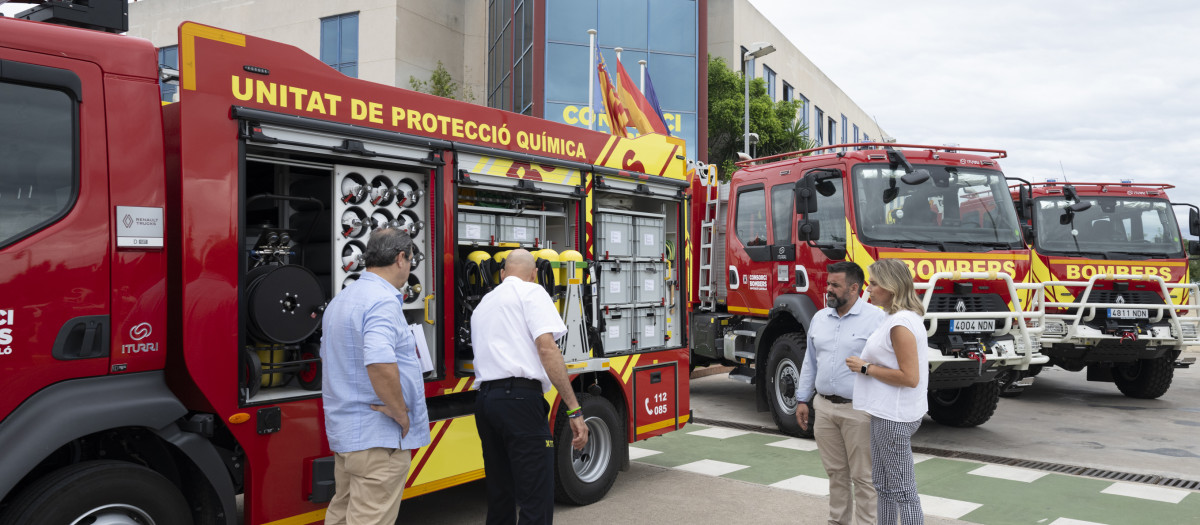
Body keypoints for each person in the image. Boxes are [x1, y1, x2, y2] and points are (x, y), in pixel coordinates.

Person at [320, 228, 430, 525]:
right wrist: (400, 413)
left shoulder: (342, 299)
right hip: (378, 441)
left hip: (348, 437)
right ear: (400, 258)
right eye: (410, 259)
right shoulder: (381, 302)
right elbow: (380, 362)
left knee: (342, 516)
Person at [471, 249, 589, 525]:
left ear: (502, 274)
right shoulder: (533, 293)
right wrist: (574, 409)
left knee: (500, 493)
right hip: (520, 402)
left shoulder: (484, 303)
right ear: (534, 274)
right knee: (535, 496)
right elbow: (547, 349)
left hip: (485, 402)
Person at [794, 261, 887, 525]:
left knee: (864, 477)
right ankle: (837, 521)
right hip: (823, 408)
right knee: (835, 473)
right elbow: (810, 361)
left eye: (835, 285)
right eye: (828, 284)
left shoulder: (876, 319)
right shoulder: (820, 318)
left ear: (854, 288)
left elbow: (890, 364)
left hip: (859, 410)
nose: (829, 290)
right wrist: (802, 399)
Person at [845, 258, 930, 525]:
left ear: (892, 287)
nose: (868, 289)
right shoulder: (894, 317)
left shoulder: (900, 325)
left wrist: (865, 368)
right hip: (885, 413)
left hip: (894, 417)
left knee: (904, 492)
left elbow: (910, 377)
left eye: (874, 284)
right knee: (883, 486)